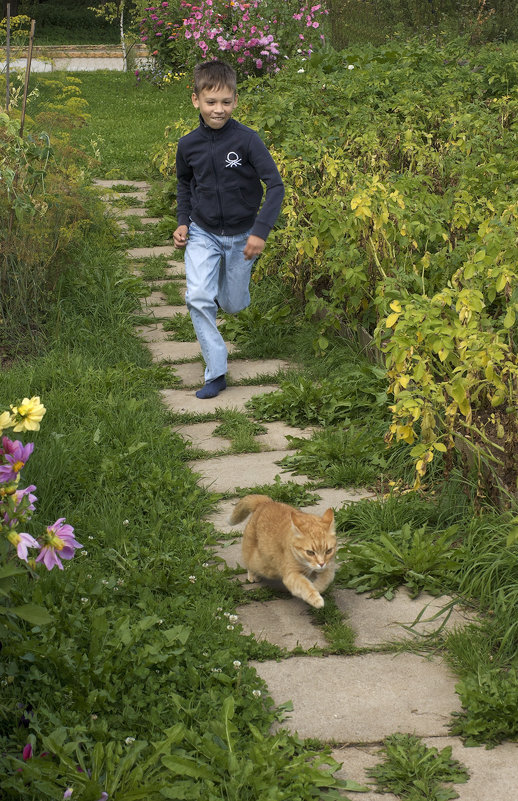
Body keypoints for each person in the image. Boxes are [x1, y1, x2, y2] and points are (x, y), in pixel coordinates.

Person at [173, 60, 285, 399]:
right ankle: (216, 370)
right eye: (211, 102)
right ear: (196, 100)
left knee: (234, 305)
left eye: (225, 102)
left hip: (242, 236)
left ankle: (224, 292)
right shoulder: (187, 145)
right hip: (202, 232)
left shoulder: (247, 140)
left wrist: (259, 232)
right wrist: (182, 221)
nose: (218, 109)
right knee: (198, 297)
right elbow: (184, 184)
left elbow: (275, 186)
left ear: (235, 101)